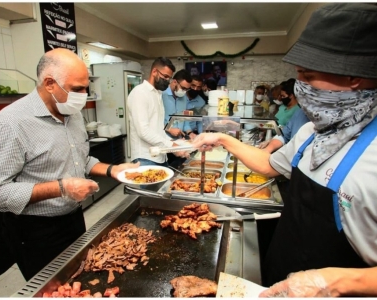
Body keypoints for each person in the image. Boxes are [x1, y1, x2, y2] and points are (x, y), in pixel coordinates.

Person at [192, 3, 377, 297]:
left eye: (308, 76)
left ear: (353, 77)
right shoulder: (309, 132)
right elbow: (268, 164)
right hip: (282, 273)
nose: (299, 87)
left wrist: (333, 283)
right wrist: (224, 140)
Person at [0, 48, 139, 281]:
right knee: (54, 289)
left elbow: (78, 159)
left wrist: (113, 170)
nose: (84, 95)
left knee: (81, 279)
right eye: (77, 89)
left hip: (73, 217)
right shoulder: (11, 123)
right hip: (34, 230)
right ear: (50, 83)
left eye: (86, 88)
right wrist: (61, 187)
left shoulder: (71, 113)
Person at [128, 57, 189, 167]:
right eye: (165, 76)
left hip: (160, 156)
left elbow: (158, 130)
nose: (167, 80)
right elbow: (143, 131)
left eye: (169, 78)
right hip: (145, 158)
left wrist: (177, 145)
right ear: (154, 72)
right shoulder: (140, 93)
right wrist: (171, 145)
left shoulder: (157, 94)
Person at [162, 69, 193, 139]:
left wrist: (189, 132)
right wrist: (169, 129)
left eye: (187, 89)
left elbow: (185, 117)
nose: (184, 91)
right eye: (183, 88)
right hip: (164, 139)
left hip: (180, 139)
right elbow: (154, 120)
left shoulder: (184, 98)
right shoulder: (162, 95)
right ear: (174, 82)